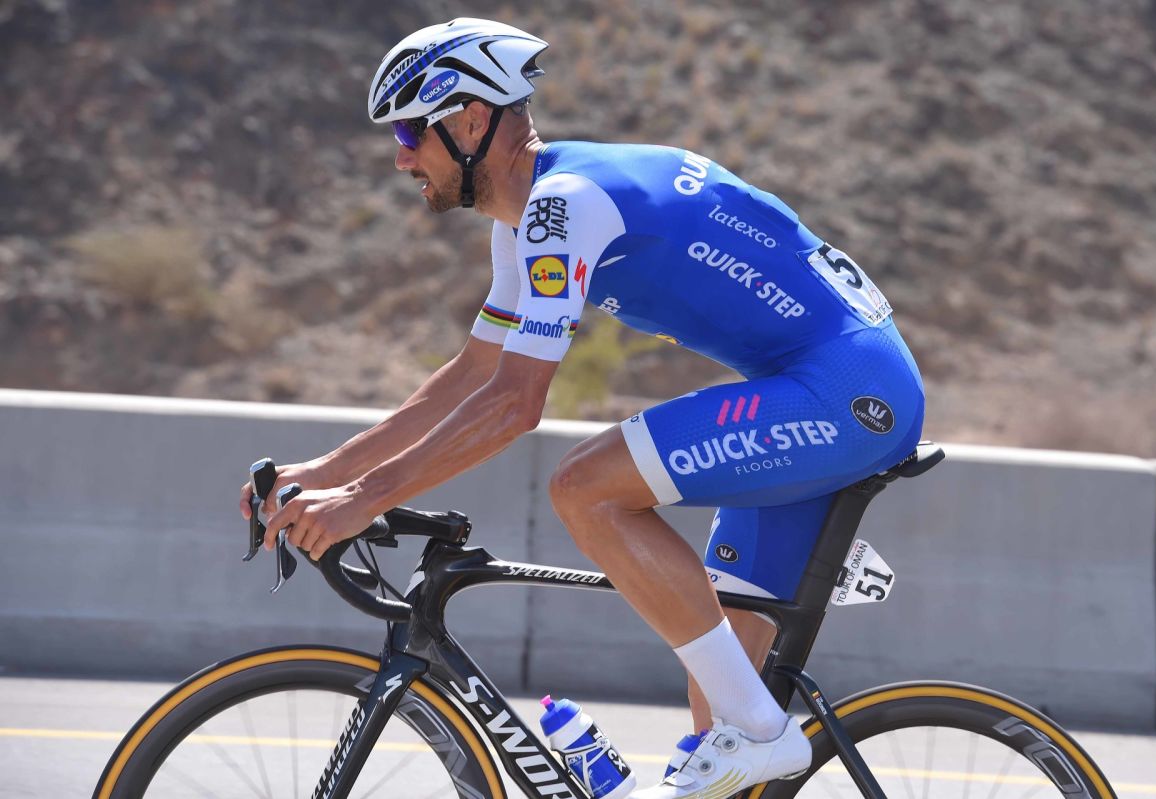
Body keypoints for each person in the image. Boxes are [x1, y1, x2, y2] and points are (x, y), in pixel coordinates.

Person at [241, 17, 925, 799]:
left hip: (846, 392)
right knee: (719, 719)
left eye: (409, 131)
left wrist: (363, 499)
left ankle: (766, 734)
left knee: (585, 486)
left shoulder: (562, 206)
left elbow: (515, 401)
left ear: (471, 121)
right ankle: (754, 733)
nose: (401, 156)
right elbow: (473, 373)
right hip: (816, 383)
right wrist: (324, 473)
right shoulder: (528, 219)